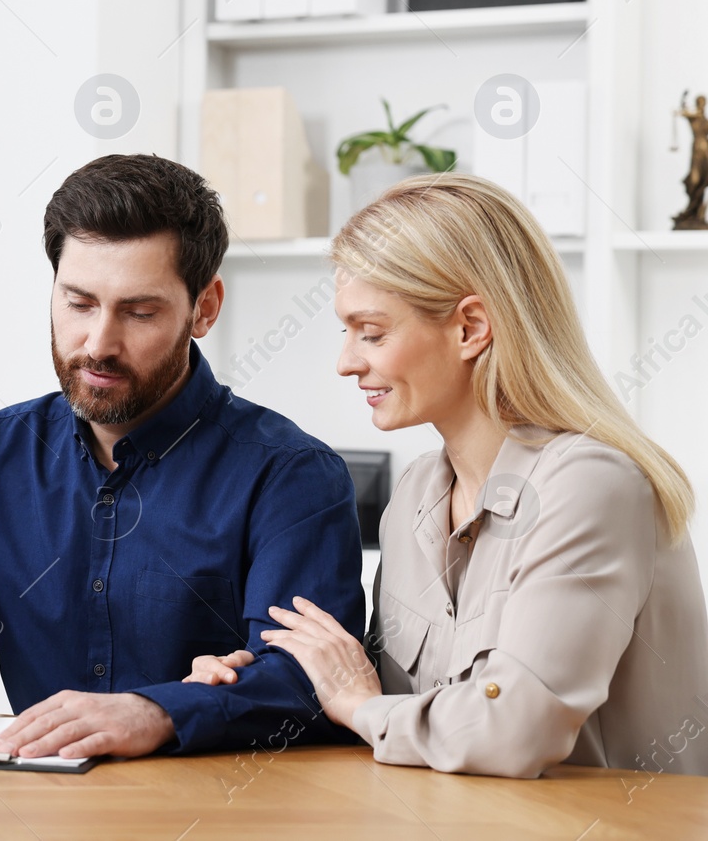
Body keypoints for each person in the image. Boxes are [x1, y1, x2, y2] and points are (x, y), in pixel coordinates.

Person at [0, 153, 365, 759]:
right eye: (79, 303)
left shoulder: (291, 476)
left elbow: (313, 684)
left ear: (205, 308)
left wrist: (157, 712)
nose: (98, 344)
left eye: (139, 312)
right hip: (32, 807)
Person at [186, 174, 708, 777]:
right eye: (346, 331)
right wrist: (254, 685)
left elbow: (510, 732)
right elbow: (384, 702)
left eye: (372, 333)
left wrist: (359, 704)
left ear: (470, 328)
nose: (346, 362)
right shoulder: (413, 499)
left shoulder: (591, 485)